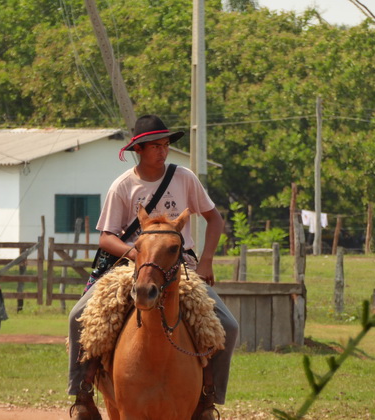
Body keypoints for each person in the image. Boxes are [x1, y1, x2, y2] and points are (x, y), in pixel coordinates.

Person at [68, 115, 239, 420]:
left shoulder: (185, 178)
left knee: (228, 325)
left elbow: (215, 219)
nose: (163, 151)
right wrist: (134, 254)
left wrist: (208, 259)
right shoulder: (123, 186)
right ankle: (83, 394)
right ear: (140, 149)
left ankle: (208, 398)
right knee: (79, 316)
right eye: (156, 146)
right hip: (132, 265)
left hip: (179, 265)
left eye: (165, 145)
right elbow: (106, 237)